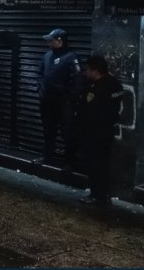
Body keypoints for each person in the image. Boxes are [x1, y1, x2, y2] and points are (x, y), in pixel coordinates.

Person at [75, 56, 123, 206]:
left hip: (95, 132)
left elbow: (89, 112)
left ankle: (97, 195)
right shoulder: (115, 84)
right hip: (107, 131)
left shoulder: (97, 89)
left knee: (95, 164)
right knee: (102, 164)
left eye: (88, 70)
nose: (85, 73)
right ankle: (103, 194)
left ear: (95, 71)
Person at [37, 28, 81, 166]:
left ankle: (69, 162)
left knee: (67, 133)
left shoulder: (71, 57)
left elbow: (77, 81)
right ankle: (47, 157)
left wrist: (69, 99)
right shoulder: (47, 56)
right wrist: (40, 90)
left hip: (63, 103)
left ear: (59, 41)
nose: (48, 43)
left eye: (51, 40)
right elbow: (40, 75)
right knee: (48, 132)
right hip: (47, 102)